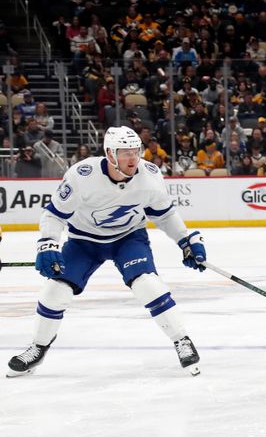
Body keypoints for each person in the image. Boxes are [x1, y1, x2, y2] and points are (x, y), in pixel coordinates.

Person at [7, 127, 206, 377]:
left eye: (136, 151)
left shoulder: (150, 175)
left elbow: (165, 215)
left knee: (147, 284)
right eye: (125, 153)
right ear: (110, 154)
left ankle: (181, 340)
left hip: (128, 239)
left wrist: (186, 240)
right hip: (83, 242)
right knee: (55, 290)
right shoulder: (83, 175)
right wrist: (48, 243)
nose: (133, 159)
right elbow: (54, 214)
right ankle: (37, 347)